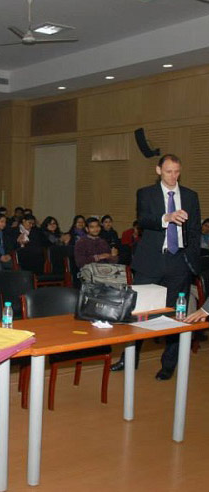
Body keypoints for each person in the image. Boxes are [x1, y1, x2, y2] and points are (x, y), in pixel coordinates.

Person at [111, 154, 201, 380]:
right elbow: (143, 220)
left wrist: (189, 259)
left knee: (174, 314)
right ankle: (129, 357)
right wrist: (167, 217)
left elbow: (195, 230)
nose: (173, 176)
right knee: (138, 311)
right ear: (159, 170)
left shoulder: (190, 196)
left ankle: (169, 364)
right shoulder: (146, 193)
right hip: (151, 261)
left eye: (177, 171)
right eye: (169, 171)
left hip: (178, 261)